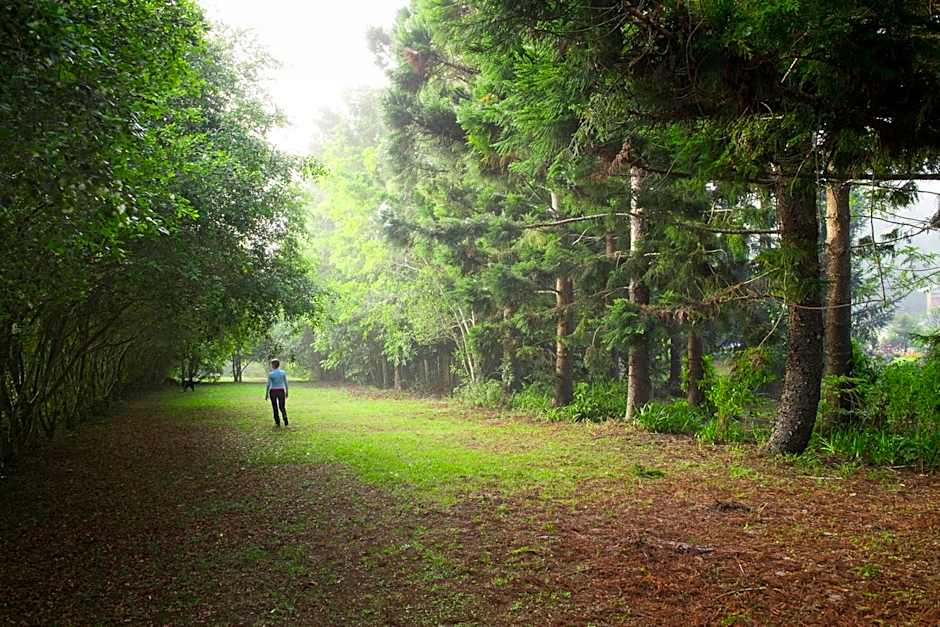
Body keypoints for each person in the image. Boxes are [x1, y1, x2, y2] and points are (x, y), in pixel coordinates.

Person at [265, 359, 289, 427]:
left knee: (274, 407)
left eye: (271, 364)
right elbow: (286, 383)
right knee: (282, 407)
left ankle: (277, 422)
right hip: (281, 391)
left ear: (273, 365)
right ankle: (285, 419)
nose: (271, 365)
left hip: (273, 391)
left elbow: (268, 384)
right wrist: (287, 392)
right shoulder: (283, 373)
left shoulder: (271, 374)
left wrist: (266, 394)